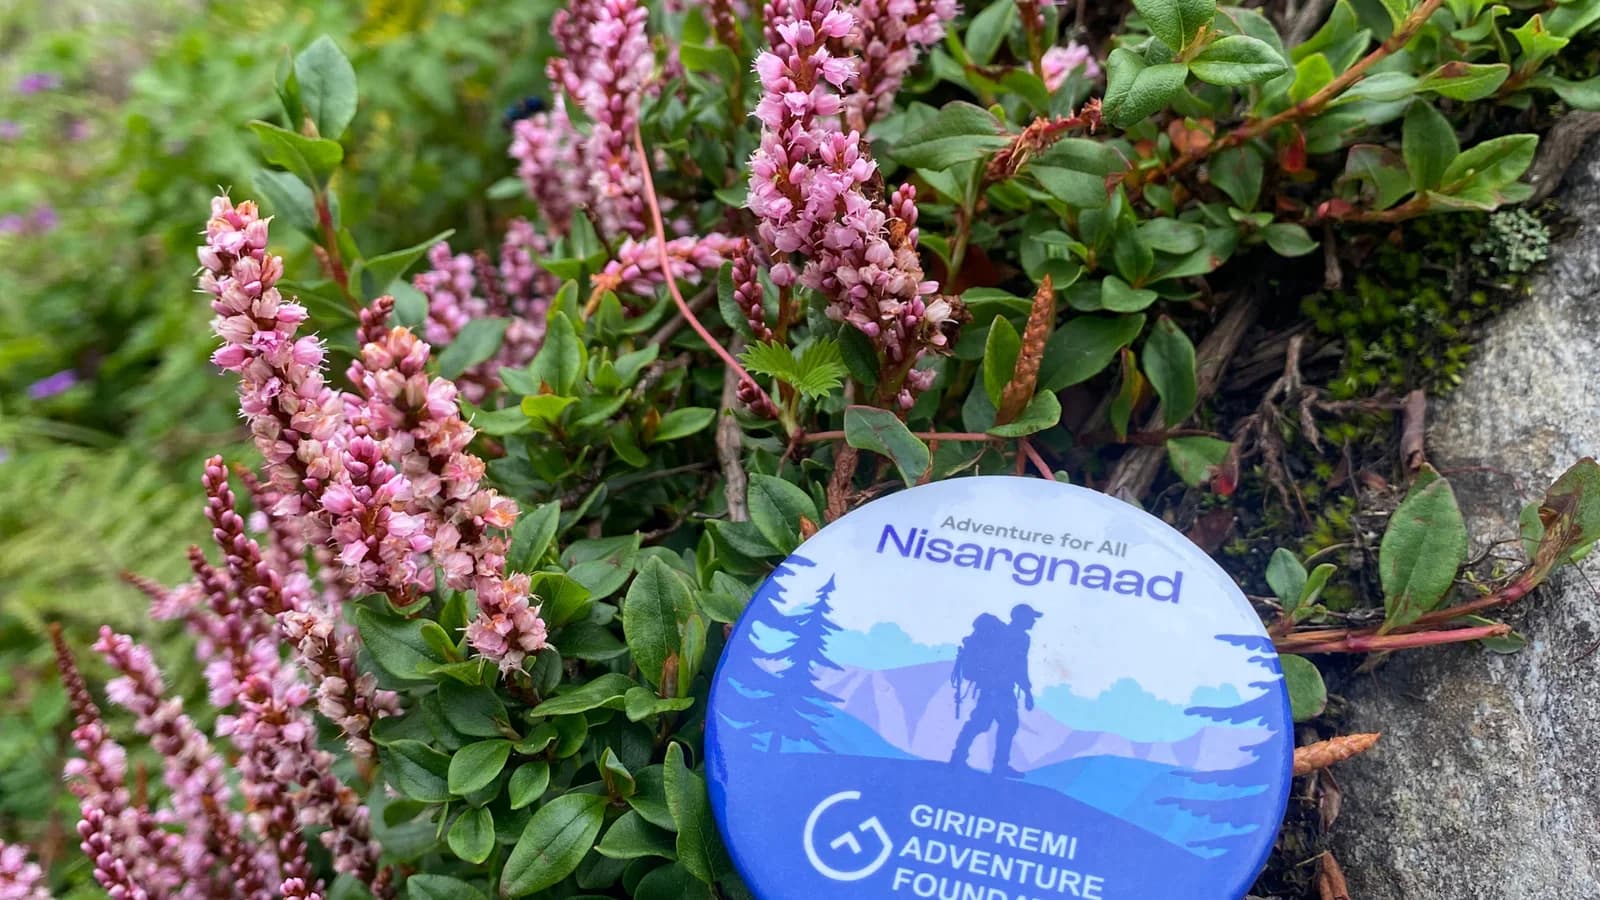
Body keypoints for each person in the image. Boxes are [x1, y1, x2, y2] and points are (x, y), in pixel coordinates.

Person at [949, 604, 1041, 778]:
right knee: (998, 724)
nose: (1033, 621)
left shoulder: (1008, 635)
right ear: (1021, 618)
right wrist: (1027, 692)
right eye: (1031, 617)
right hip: (1000, 690)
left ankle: (960, 758)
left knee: (986, 723)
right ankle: (997, 766)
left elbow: (1018, 667)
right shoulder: (1020, 638)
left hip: (992, 688)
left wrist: (1027, 691)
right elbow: (1020, 667)